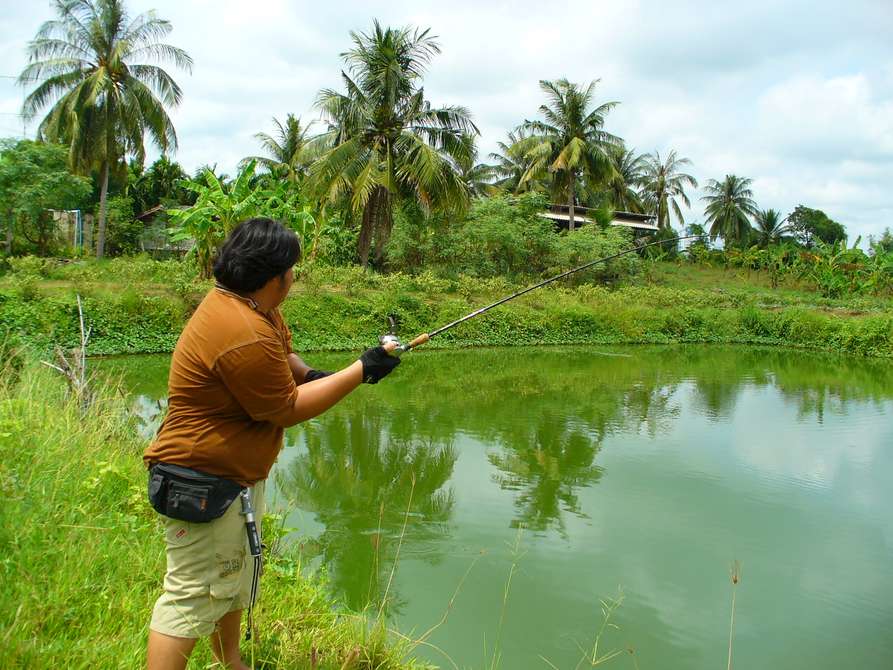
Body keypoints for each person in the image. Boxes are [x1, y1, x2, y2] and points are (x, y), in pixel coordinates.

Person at [143, 218, 400, 670]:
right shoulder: (239, 329)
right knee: (190, 595)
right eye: (292, 269)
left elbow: (283, 357)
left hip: (233, 478)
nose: (294, 277)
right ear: (274, 275)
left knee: (233, 577)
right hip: (203, 480)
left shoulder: (253, 308)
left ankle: (233, 662)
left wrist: (317, 375)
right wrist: (361, 370)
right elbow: (285, 409)